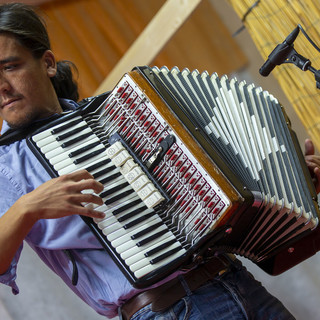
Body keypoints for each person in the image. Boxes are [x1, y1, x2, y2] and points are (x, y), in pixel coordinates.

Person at [0, 3, 317, 320]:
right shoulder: (6, 166)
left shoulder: (111, 115)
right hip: (165, 311)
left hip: (236, 282)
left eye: (10, 67)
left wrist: (291, 182)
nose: (1, 86)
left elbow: (201, 197)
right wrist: (26, 208)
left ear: (49, 64)